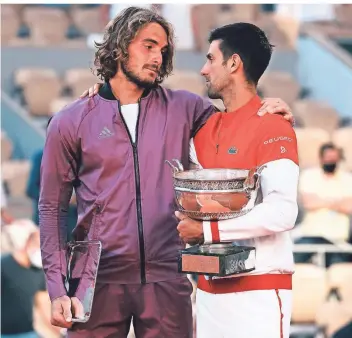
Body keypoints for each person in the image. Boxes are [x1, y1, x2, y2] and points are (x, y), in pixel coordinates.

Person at [40, 7, 293, 337]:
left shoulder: (185, 108)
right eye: (148, 45)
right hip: (97, 279)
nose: (158, 57)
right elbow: (51, 209)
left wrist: (269, 110)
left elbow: (236, 122)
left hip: (167, 277)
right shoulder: (71, 121)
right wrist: (57, 289)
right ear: (119, 46)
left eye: (163, 50)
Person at [175, 23, 299, 338]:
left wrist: (205, 230)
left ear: (234, 63)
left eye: (210, 59)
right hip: (207, 295)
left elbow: (283, 211)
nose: (203, 69)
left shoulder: (273, 126)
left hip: (257, 298)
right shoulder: (202, 128)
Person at [294, 142, 352, 266]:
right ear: (321, 159)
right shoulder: (309, 175)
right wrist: (338, 202)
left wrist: (321, 201)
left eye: (333, 159)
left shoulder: (347, 178)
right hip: (312, 235)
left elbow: (349, 207)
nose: (331, 162)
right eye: (328, 158)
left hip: (339, 240)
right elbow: (309, 203)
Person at [1, 222, 60, 338]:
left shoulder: (38, 271)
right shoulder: (3, 265)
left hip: (29, 333)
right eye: (39, 244)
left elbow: (44, 305)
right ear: (27, 242)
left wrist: (61, 333)